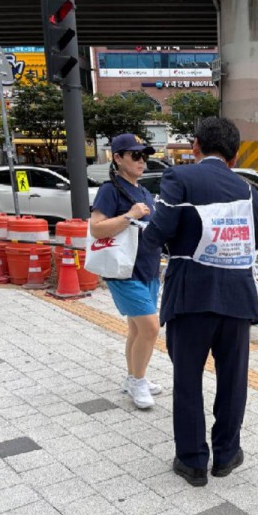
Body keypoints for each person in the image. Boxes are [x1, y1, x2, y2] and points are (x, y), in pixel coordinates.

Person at [142, 117, 258, 487]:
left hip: (191, 297)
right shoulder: (251, 192)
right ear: (235, 155)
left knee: (188, 379)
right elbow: (253, 241)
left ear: (195, 146)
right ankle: (226, 455)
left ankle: (193, 461)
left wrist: (155, 238)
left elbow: (159, 231)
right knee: (233, 380)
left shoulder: (179, 178)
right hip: (238, 298)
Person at [89, 133, 162, 410]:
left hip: (148, 268)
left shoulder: (143, 192)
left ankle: (134, 377)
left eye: (144, 155)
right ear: (117, 158)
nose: (142, 161)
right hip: (124, 272)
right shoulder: (110, 190)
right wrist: (130, 215)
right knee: (150, 327)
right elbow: (96, 228)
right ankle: (138, 381)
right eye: (135, 155)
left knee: (136, 328)